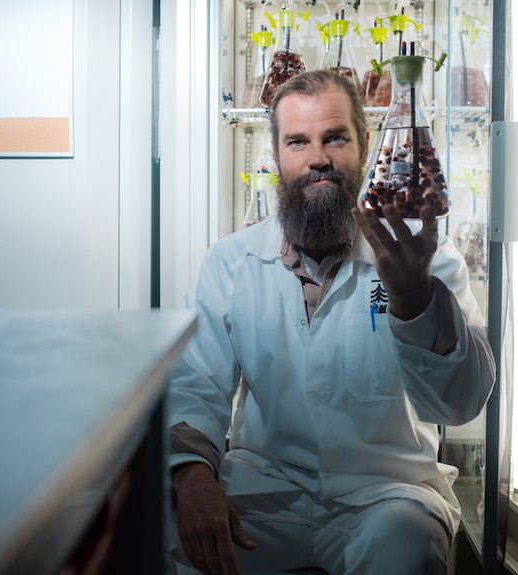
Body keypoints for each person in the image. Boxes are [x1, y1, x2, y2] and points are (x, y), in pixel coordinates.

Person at [166, 69, 495, 575]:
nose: (318, 157)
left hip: (387, 492)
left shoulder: (419, 256)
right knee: (164, 538)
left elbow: (460, 403)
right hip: (265, 487)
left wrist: (413, 296)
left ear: (364, 145)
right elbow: (195, 385)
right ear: (276, 155)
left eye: (335, 137)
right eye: (298, 142)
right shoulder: (232, 262)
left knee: (403, 553)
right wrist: (193, 479)